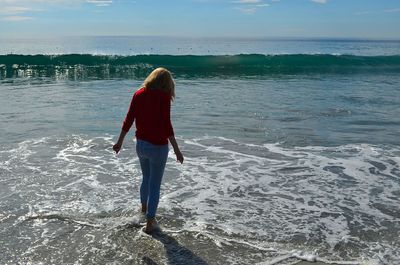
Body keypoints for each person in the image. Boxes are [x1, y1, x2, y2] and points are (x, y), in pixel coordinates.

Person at [113, 67, 184, 234]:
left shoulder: (139, 93)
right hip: (158, 147)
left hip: (141, 145)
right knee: (155, 185)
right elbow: (167, 125)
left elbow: (128, 119)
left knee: (146, 179)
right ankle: (150, 222)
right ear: (166, 83)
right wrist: (177, 150)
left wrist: (119, 142)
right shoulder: (163, 97)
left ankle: (144, 210)